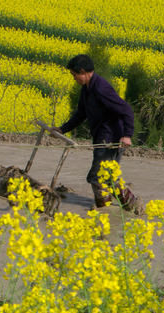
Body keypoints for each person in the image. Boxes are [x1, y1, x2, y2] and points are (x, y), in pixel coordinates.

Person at [57, 54, 140, 211]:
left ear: (83, 72)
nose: (74, 78)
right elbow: (81, 114)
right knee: (105, 176)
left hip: (111, 138)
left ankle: (115, 208)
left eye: (74, 75)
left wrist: (127, 135)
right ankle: (120, 208)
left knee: (98, 176)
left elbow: (126, 110)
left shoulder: (101, 88)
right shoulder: (86, 89)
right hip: (101, 136)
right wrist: (63, 129)